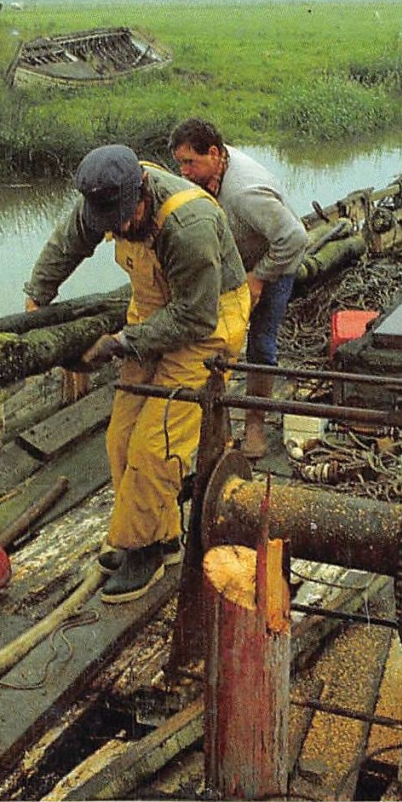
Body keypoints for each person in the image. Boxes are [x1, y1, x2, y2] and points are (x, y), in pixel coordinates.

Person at [24, 145, 250, 602]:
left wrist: (119, 343)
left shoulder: (190, 227)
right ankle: (161, 535)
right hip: (151, 315)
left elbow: (196, 315)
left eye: (125, 218)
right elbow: (69, 242)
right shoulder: (104, 196)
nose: (119, 228)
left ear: (142, 192)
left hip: (205, 325)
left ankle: (141, 548)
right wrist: (36, 303)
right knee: (122, 435)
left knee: (156, 443)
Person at [168, 118, 309, 457]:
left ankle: (256, 423)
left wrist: (259, 277)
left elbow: (294, 239)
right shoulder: (207, 173)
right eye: (180, 163)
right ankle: (212, 421)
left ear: (215, 154)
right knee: (213, 337)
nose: (184, 172)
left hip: (273, 261)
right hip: (233, 258)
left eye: (190, 162)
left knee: (261, 343)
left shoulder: (245, 193)